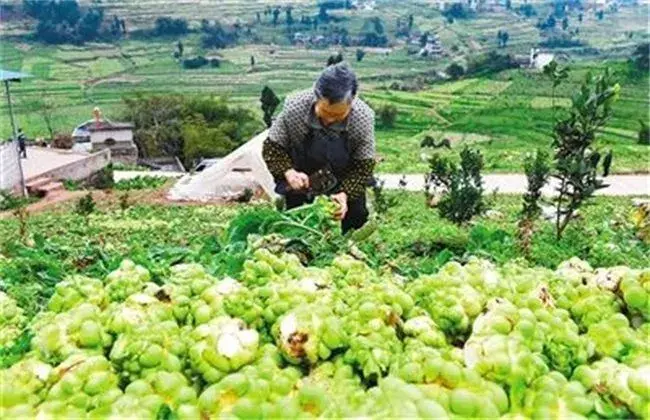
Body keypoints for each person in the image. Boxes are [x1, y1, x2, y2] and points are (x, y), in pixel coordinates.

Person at [262, 63, 375, 233]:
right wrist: (289, 172)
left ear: (352, 102)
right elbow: (273, 148)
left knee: (356, 217)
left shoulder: (362, 118)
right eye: (325, 112)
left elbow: (363, 166)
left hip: (344, 176)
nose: (329, 120)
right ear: (316, 97)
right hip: (303, 177)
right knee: (296, 223)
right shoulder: (295, 108)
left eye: (338, 116)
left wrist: (344, 194)